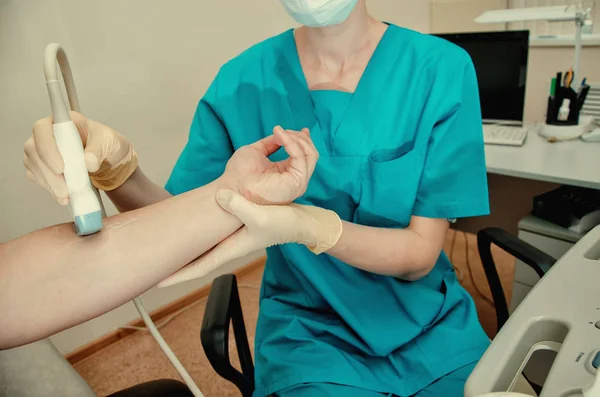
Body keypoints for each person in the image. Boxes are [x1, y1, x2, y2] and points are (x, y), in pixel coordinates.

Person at [23, 0, 491, 396]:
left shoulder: (439, 69)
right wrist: (119, 171)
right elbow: (175, 228)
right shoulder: (241, 82)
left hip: (431, 326)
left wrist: (311, 226)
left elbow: (419, 255)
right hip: (309, 336)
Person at [2, 125, 327, 350]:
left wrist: (323, 230)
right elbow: (176, 239)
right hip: (304, 325)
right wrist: (234, 192)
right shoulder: (241, 81)